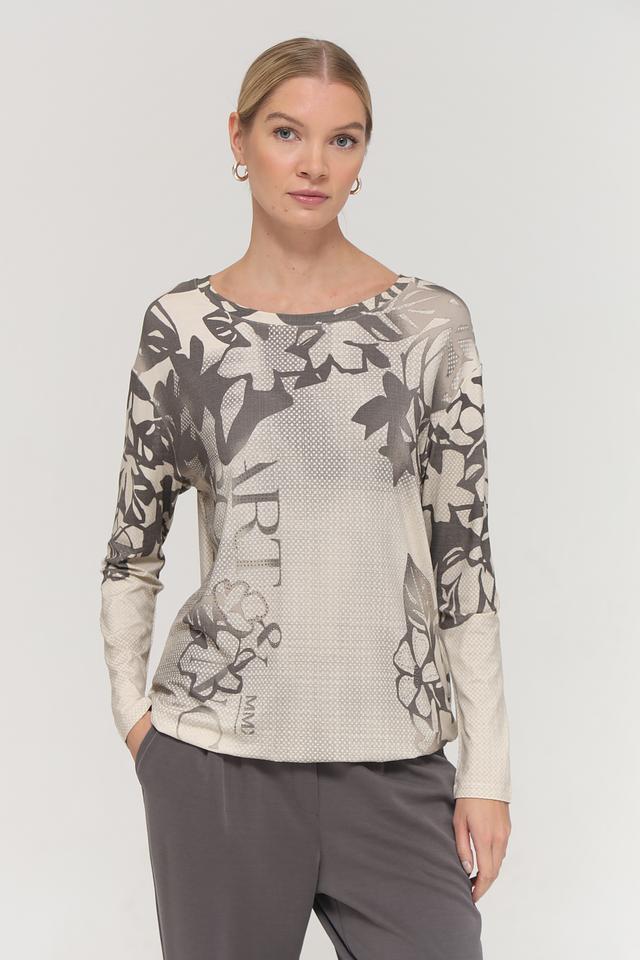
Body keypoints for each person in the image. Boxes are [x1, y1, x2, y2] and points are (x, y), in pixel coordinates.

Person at [99, 36, 512, 960]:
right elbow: (133, 547)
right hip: (218, 764)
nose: (314, 164)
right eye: (287, 133)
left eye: (342, 139)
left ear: (364, 156)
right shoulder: (182, 331)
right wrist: (140, 725)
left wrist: (487, 772)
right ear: (239, 139)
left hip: (394, 759)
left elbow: (465, 562)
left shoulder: (429, 327)